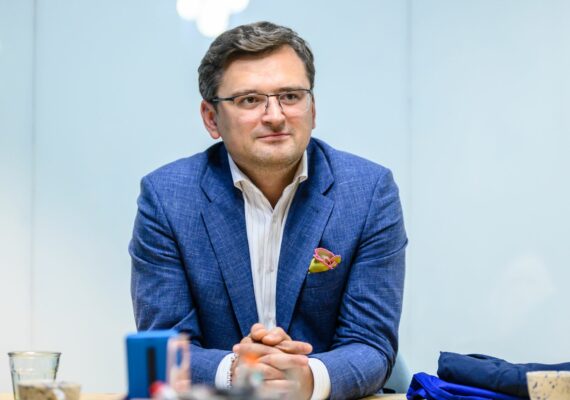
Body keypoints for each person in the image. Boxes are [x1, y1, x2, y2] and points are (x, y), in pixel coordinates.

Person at [130, 21, 407, 400]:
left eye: (290, 96)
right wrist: (236, 371)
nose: (275, 115)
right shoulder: (167, 198)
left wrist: (308, 377)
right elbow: (163, 347)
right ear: (211, 118)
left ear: (313, 109)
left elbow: (371, 343)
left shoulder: (368, 192)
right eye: (249, 100)